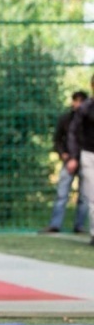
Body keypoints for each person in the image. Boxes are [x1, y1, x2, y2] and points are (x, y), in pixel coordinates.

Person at [43, 91, 89, 234]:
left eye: (81, 101)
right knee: (62, 193)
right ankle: (55, 224)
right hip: (69, 160)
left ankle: (79, 225)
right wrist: (64, 155)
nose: (78, 104)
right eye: (76, 101)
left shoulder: (88, 119)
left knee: (85, 196)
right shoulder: (66, 119)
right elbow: (58, 139)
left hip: (85, 160)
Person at [67, 74, 94, 246]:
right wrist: (73, 156)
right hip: (89, 155)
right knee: (92, 196)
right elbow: (73, 132)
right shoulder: (85, 108)